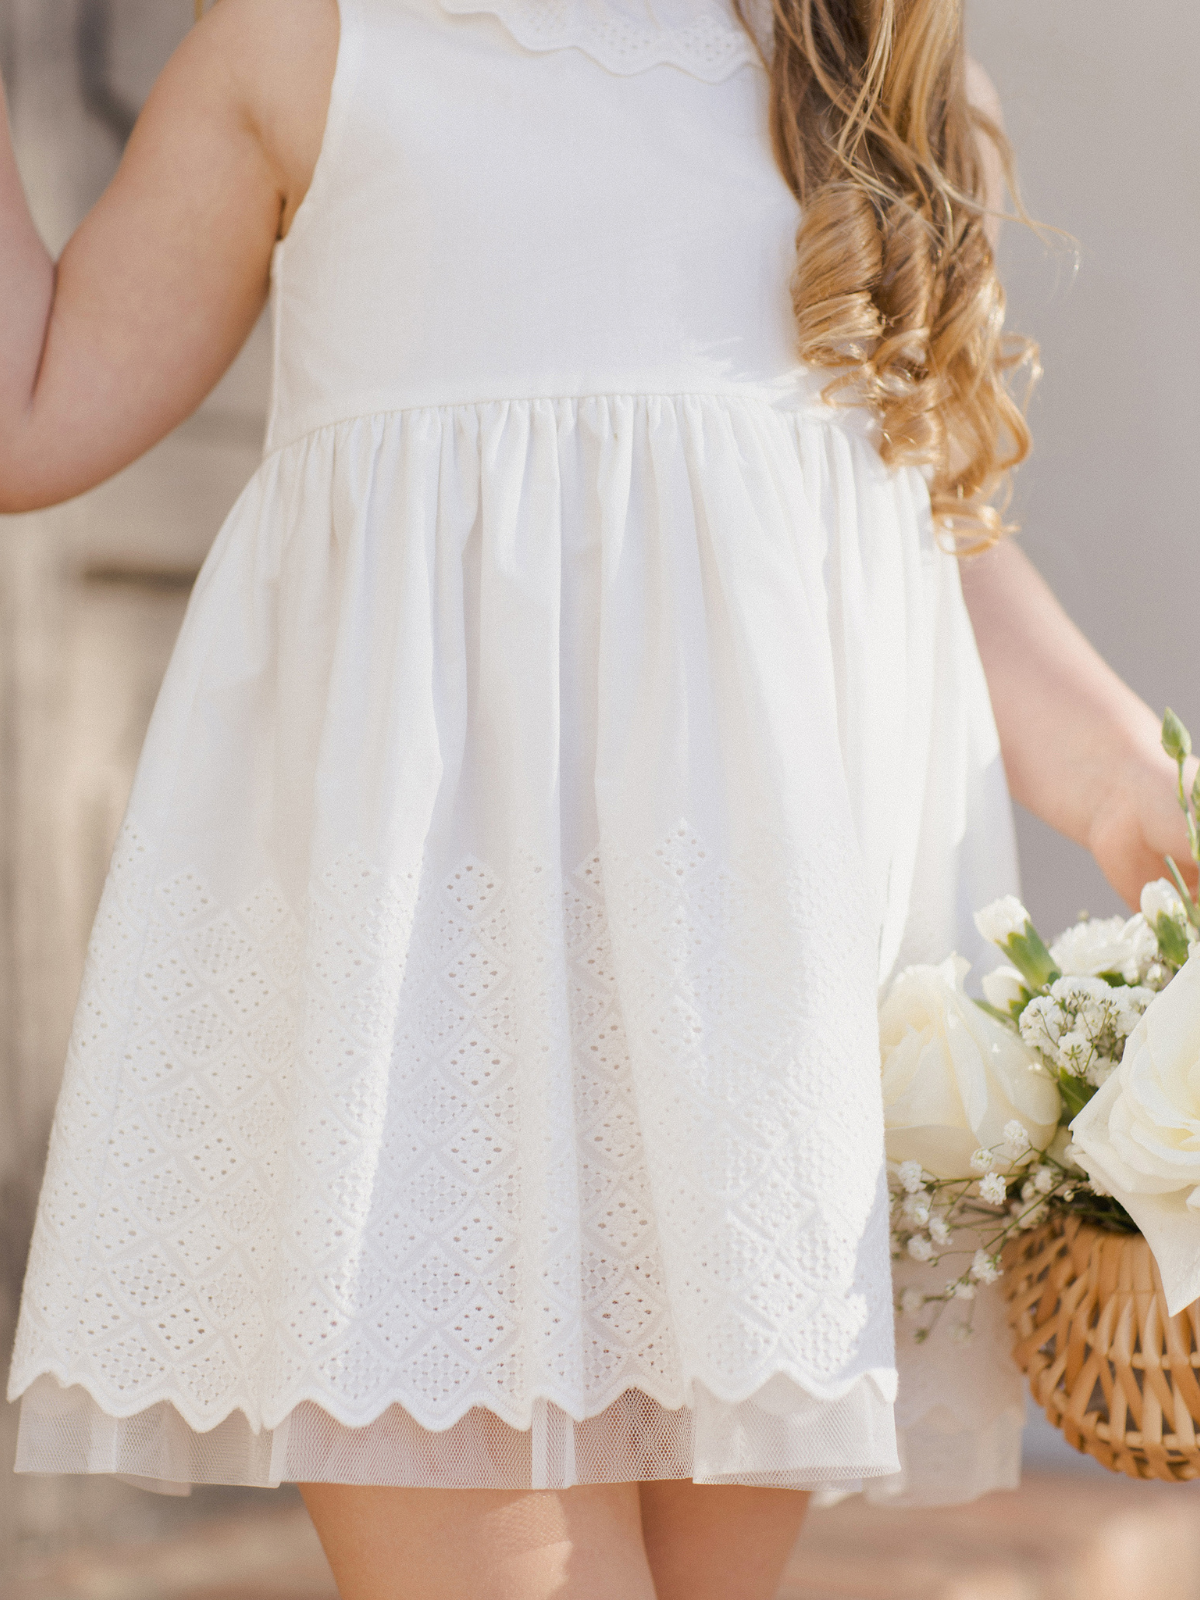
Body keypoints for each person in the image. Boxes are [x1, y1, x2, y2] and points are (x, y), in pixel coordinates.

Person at [1, 0, 1189, 1596]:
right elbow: (40, 409)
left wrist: (1122, 766)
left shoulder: (862, 71)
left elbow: (913, 513)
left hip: (731, 1035)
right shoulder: (311, 40)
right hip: (425, 1024)